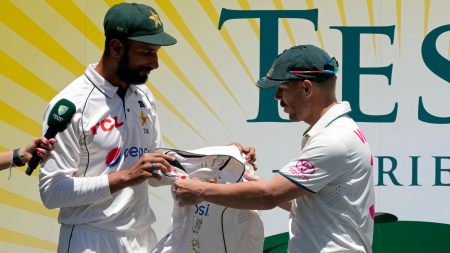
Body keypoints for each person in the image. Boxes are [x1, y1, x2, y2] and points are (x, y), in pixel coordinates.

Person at [39, 3, 255, 253]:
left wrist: (216, 159)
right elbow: (52, 192)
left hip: (143, 239)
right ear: (117, 48)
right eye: (146, 52)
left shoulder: (143, 94)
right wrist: (127, 176)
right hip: (89, 239)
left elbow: (155, 169)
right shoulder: (70, 105)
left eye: (156, 52)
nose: (155, 63)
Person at [174, 45, 376, 253]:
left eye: (283, 88)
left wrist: (201, 190)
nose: (276, 97)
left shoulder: (333, 139)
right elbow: (316, 205)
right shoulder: (338, 131)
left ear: (306, 88)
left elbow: (267, 196)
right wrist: (254, 183)